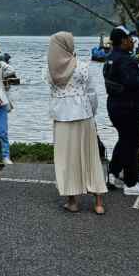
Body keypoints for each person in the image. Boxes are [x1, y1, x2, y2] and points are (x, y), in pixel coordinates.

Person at [46, 32, 107, 214]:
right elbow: (92, 94)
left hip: (61, 117)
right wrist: (92, 113)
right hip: (84, 116)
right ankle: (98, 202)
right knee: (90, 155)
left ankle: (72, 202)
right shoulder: (82, 67)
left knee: (67, 159)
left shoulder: (50, 70)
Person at [104, 26, 139, 196]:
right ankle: (131, 183)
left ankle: (112, 174)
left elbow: (122, 82)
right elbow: (132, 83)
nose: (132, 41)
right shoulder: (126, 60)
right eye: (129, 38)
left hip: (115, 106)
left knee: (124, 140)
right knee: (132, 143)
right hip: (128, 107)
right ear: (122, 40)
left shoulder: (110, 57)